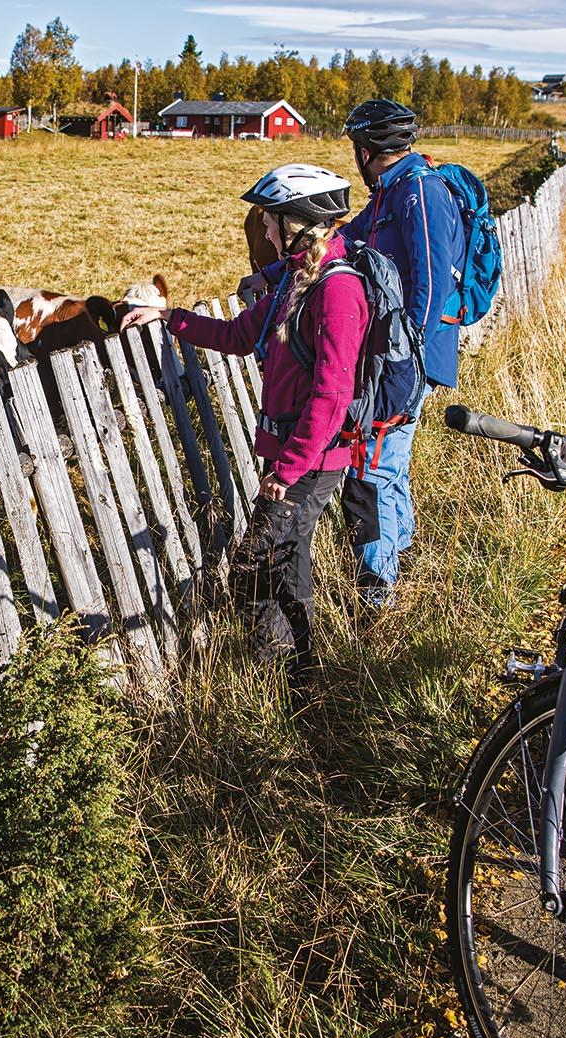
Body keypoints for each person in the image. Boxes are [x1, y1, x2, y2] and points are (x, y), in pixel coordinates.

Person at [126, 164, 368, 680]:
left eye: (270, 221)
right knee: (285, 566)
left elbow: (332, 393)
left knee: (255, 571)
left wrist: (287, 471)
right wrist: (170, 319)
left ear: (300, 223)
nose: (262, 231)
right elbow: (237, 336)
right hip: (295, 459)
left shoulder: (336, 292)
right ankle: (302, 678)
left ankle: (282, 676)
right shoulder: (296, 283)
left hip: (311, 463)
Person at [240, 99, 464, 606]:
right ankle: (394, 571)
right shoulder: (392, 192)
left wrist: (402, 366)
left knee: (374, 469)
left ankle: (376, 596)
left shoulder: (419, 194)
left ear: (365, 151)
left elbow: (427, 288)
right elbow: (338, 242)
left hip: (400, 360)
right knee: (385, 468)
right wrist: (273, 275)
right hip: (392, 355)